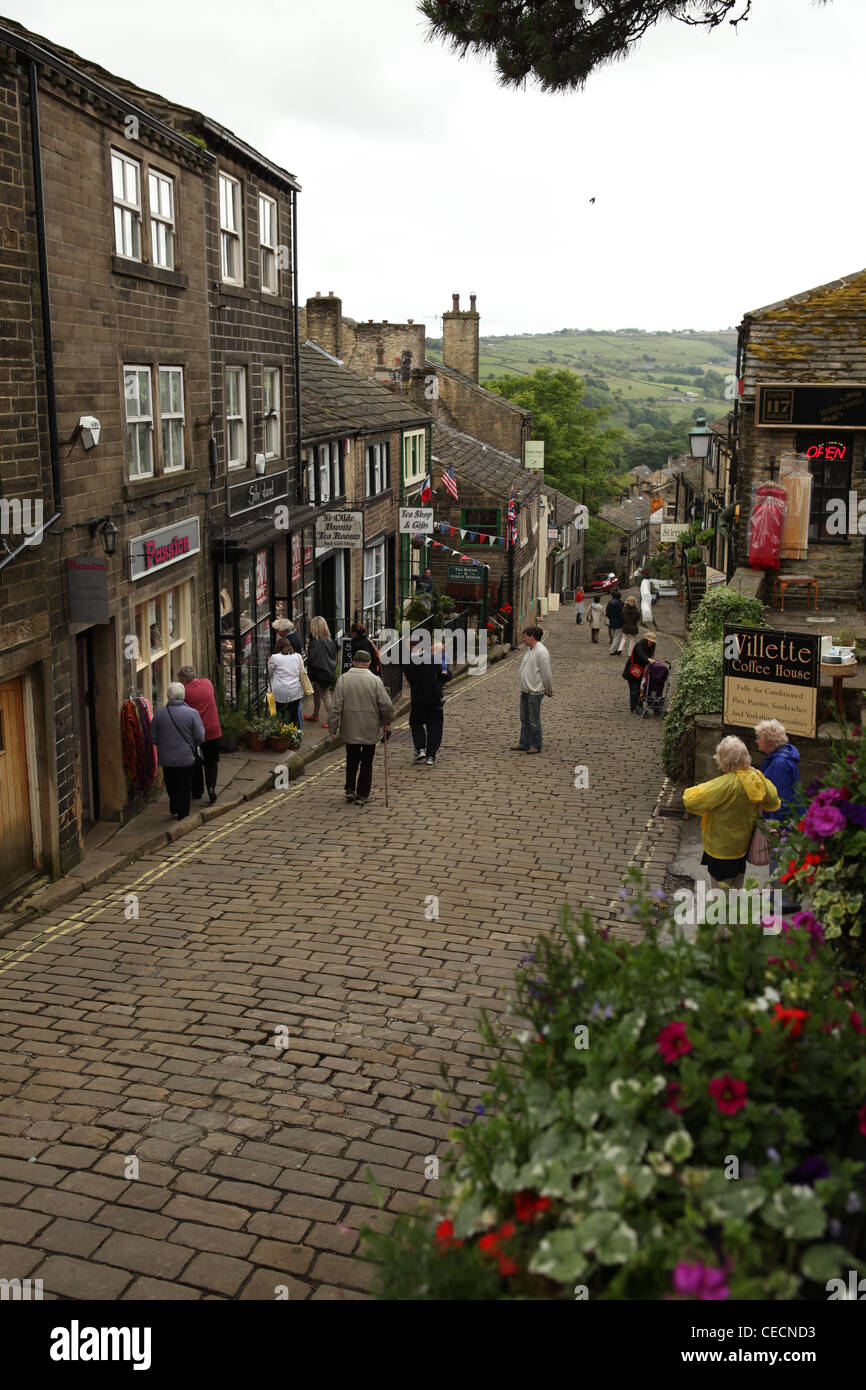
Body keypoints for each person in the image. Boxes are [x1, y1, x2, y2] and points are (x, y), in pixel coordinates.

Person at [683, 735, 780, 892]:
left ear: (723, 759)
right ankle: (735, 915)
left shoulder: (725, 784)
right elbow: (773, 800)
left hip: (720, 850)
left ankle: (719, 916)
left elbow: (690, 800)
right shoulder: (756, 778)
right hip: (742, 848)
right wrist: (759, 776)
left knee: (719, 895)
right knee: (737, 887)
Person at [328, 649, 394, 805]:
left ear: (354, 663)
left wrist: (333, 728)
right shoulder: (375, 681)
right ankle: (363, 793)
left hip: (350, 727)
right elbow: (386, 705)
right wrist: (387, 722)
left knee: (351, 758)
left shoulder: (343, 679)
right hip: (370, 728)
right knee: (367, 761)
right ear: (369, 663)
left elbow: (335, 707)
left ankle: (350, 789)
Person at [150, 682, 206, 821]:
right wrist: (192, 745)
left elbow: (153, 737)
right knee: (185, 786)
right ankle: (183, 814)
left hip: (167, 758)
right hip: (186, 757)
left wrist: (164, 745)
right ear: (183, 696)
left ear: (168, 695)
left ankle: (174, 808)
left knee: (171, 784)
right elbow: (200, 736)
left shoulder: (159, 714)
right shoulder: (192, 713)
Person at [404, 636, 453, 766]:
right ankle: (431, 756)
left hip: (418, 699)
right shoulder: (434, 659)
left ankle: (420, 749)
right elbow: (446, 675)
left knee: (416, 724)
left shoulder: (408, 662)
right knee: (435, 727)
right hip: (435, 698)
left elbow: (410, 680)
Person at [178, 665, 221, 804]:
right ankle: (211, 788)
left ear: (184, 680)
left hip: (195, 733)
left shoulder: (185, 693)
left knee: (195, 761)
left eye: (180, 680)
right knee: (211, 761)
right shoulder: (207, 683)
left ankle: (197, 791)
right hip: (213, 730)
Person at [511, 626, 553, 754]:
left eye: (525, 636)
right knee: (524, 719)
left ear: (532, 637)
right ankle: (524, 743)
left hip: (535, 691)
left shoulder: (541, 651)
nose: (523, 639)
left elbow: (546, 673)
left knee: (534, 720)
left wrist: (548, 688)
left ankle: (536, 744)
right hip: (525, 690)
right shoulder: (530, 650)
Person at [755, 720, 802, 823]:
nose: (756, 741)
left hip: (783, 827)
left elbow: (781, 801)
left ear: (769, 741)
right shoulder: (779, 757)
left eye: (759, 738)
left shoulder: (780, 764)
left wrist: (772, 830)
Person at [267, 638, 304, 734]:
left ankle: (278, 736)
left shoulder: (274, 657)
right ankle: (294, 739)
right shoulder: (298, 656)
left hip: (278, 692)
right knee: (293, 717)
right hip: (295, 692)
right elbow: (301, 672)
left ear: (277, 647)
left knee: (277, 716)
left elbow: (269, 673)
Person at [306, 615, 338, 727]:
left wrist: (307, 653)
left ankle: (333, 721)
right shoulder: (329, 640)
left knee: (325, 695)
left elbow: (313, 659)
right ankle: (315, 714)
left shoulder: (316, 642)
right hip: (328, 670)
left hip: (320, 672)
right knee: (316, 692)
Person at [623, 631, 656, 713]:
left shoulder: (650, 648)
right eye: (649, 641)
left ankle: (639, 706)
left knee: (641, 690)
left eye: (652, 642)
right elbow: (641, 655)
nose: (650, 643)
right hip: (633, 671)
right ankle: (634, 707)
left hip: (641, 671)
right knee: (634, 689)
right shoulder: (639, 646)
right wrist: (648, 659)